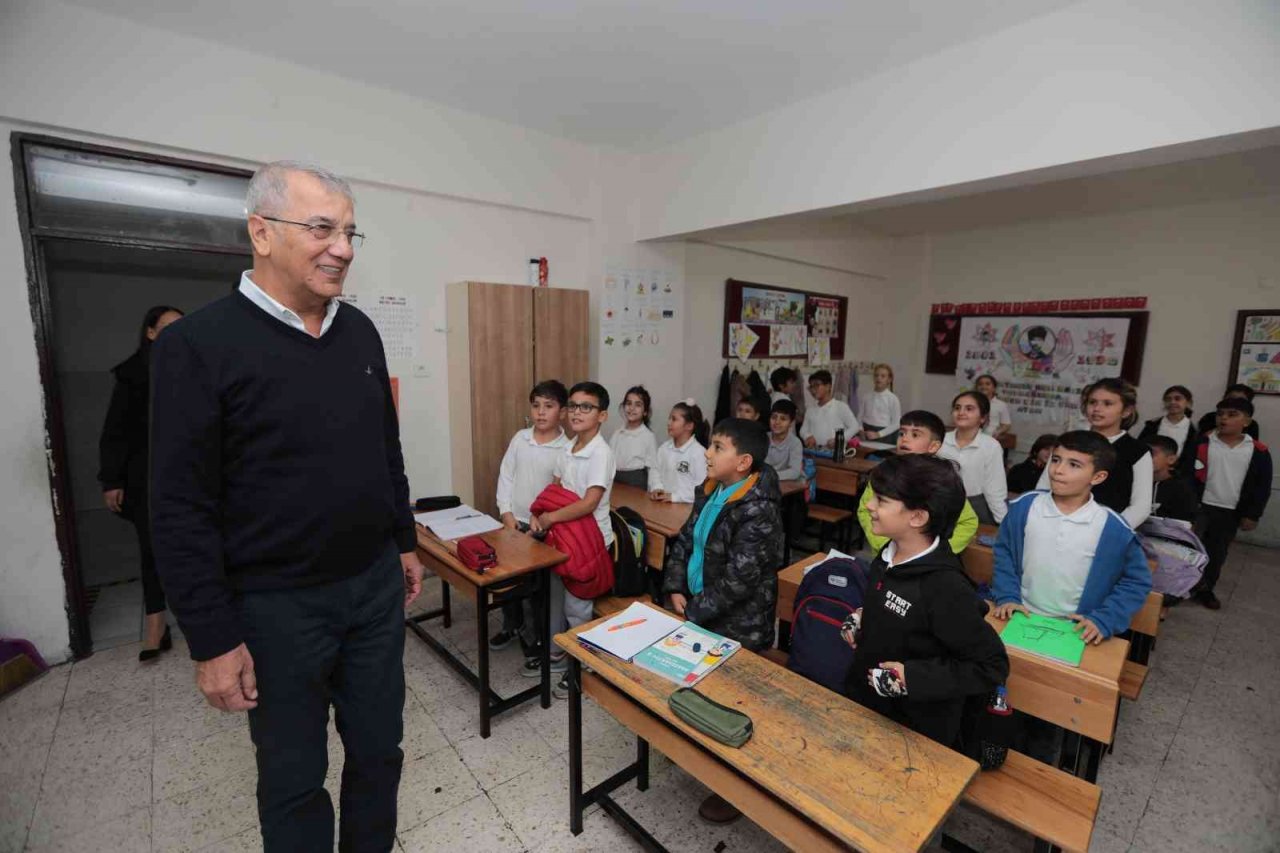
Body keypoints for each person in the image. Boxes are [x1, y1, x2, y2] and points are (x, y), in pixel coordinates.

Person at [150, 162, 424, 852]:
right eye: (323, 228)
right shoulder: (197, 346)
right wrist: (211, 637)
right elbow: (179, 504)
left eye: (351, 231)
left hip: (370, 590)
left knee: (379, 751)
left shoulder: (358, 331)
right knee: (294, 776)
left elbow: (383, 449)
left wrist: (403, 540)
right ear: (261, 232)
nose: (344, 247)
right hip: (274, 608)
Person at [842, 454, 1009, 749]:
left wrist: (913, 678)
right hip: (866, 706)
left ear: (918, 517)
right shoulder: (887, 555)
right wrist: (863, 618)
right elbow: (900, 614)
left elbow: (990, 664)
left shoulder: (945, 586)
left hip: (915, 729)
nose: (869, 505)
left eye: (881, 500)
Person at [662, 417, 784, 823]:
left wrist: (691, 614)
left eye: (717, 447)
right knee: (702, 692)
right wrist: (676, 585)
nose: (707, 453)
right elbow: (686, 538)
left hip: (738, 624)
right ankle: (703, 759)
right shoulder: (712, 488)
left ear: (744, 461)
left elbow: (739, 581)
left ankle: (734, 789)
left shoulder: (759, 509)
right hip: (701, 610)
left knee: (732, 706)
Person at [992, 431, 1152, 643]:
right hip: (1021, 614)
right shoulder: (1024, 507)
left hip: (1076, 629)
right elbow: (1004, 554)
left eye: (1074, 465)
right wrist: (1007, 597)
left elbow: (1136, 581)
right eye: (1056, 460)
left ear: (1098, 477)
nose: (1058, 470)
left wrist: (1104, 619)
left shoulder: (1112, 528)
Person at [98, 304, 184, 662]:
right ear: (150, 332)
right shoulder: (133, 374)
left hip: (188, 476)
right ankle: (155, 626)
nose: (175, 334)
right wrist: (112, 479)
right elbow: (115, 432)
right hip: (145, 478)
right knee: (154, 550)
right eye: (167, 328)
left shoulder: (193, 368)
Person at [531, 381, 617, 694]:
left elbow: (588, 503)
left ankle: (579, 668)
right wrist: (539, 511)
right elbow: (555, 488)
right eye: (574, 406)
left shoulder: (601, 453)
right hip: (563, 537)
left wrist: (550, 516)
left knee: (577, 608)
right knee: (555, 597)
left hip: (589, 540)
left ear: (602, 415)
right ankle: (556, 654)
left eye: (587, 407)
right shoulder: (568, 447)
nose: (577, 412)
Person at [491, 380, 570, 656]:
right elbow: (506, 475)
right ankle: (511, 625)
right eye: (536, 405)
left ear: (561, 412)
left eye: (549, 406)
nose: (541, 412)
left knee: (536, 589)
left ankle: (536, 639)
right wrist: (506, 512)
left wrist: (542, 522)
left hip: (542, 529)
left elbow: (561, 493)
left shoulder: (566, 448)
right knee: (506, 581)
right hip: (514, 521)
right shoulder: (520, 438)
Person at [1184, 397, 1272, 610]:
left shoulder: (1257, 451)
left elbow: (1262, 486)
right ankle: (1179, 587)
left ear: (1247, 421)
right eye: (1221, 414)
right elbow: (1186, 475)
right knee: (1189, 549)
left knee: (1216, 552)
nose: (1224, 418)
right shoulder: (1202, 443)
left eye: (1232, 415)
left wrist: (1253, 514)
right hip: (1201, 507)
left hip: (1230, 511)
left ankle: (1205, 589)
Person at [1034, 378, 1152, 529]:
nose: (1097, 409)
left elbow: (1140, 507)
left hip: (1106, 531)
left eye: (1107, 404)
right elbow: (1043, 488)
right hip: (1055, 523)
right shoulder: (1068, 441)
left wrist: (1108, 532)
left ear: (1126, 411)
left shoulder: (1137, 451)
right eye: (1092, 402)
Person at [856, 410, 979, 554]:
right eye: (902, 433)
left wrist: (936, 552)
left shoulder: (940, 480)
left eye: (915, 435)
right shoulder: (885, 472)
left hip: (924, 564)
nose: (905, 439)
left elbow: (968, 522)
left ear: (933, 447)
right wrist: (883, 543)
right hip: (885, 556)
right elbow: (865, 509)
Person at [938, 391, 1007, 524]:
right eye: (957, 408)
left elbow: (995, 489)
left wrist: (1003, 523)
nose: (961, 412)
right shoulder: (940, 441)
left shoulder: (991, 446)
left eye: (969, 409)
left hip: (975, 507)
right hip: (942, 504)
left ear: (983, 418)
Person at [649, 399, 709, 503]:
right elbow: (655, 470)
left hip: (685, 508)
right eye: (669, 418)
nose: (669, 423)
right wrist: (656, 487)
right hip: (662, 505)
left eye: (674, 419)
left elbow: (702, 489)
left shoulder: (699, 453)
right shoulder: (664, 448)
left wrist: (675, 497)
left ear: (689, 426)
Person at [1138, 385, 1198, 470]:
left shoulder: (1194, 431)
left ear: (1188, 403)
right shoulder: (1152, 425)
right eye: (1168, 399)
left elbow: (1192, 458)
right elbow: (1140, 448)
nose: (1172, 402)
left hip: (1179, 475)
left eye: (1177, 399)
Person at [610, 385, 657, 488]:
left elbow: (652, 467)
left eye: (638, 405)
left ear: (645, 412)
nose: (632, 408)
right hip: (615, 479)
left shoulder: (648, 436)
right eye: (628, 403)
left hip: (636, 481)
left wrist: (654, 488)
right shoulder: (617, 433)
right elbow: (609, 460)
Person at [800, 369, 859, 450]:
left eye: (817, 385)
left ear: (828, 386)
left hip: (835, 454)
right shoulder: (810, 409)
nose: (813, 389)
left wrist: (838, 440)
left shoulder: (840, 406)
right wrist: (807, 436)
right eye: (811, 386)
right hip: (815, 452)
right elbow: (803, 429)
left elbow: (855, 427)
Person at [1146, 435, 1198, 522]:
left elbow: (1186, 522)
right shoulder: (1134, 482)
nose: (1146, 457)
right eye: (1144, 453)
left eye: (1152, 454)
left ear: (1171, 459)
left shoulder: (1182, 488)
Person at [858, 363, 901, 443]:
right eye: (876, 375)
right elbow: (859, 417)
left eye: (883, 376)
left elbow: (896, 423)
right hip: (866, 432)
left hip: (884, 435)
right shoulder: (866, 396)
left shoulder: (893, 399)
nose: (879, 378)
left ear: (889, 379)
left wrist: (878, 434)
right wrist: (860, 430)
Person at [765, 400, 805, 481]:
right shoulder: (763, 438)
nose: (777, 422)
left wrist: (770, 476)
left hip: (787, 483)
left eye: (783, 419)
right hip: (766, 483)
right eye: (774, 417)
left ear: (791, 423)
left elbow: (795, 472)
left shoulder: (795, 443)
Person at [974, 374, 1013, 440]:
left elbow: (1006, 425)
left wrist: (998, 432)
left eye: (987, 384)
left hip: (990, 438)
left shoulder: (1001, 405)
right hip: (971, 436)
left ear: (994, 388)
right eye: (980, 384)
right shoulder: (971, 403)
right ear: (977, 388)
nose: (983, 386)